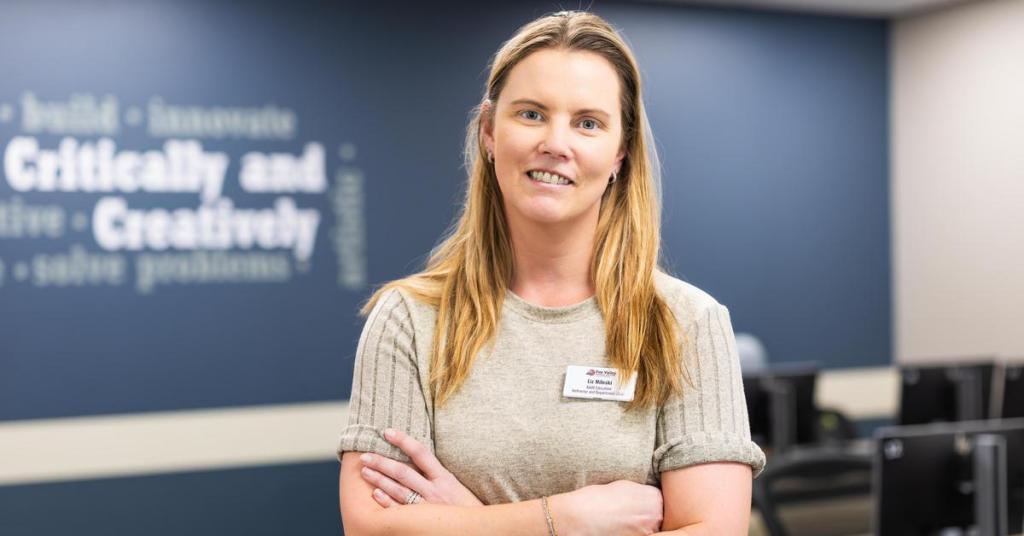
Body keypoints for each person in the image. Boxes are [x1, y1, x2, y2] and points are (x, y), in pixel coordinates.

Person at [337, 10, 765, 536]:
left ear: (620, 154)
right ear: (490, 132)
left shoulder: (684, 324)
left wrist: (468, 522)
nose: (556, 144)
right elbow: (370, 528)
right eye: (532, 114)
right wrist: (562, 519)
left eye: (588, 123)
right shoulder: (409, 319)